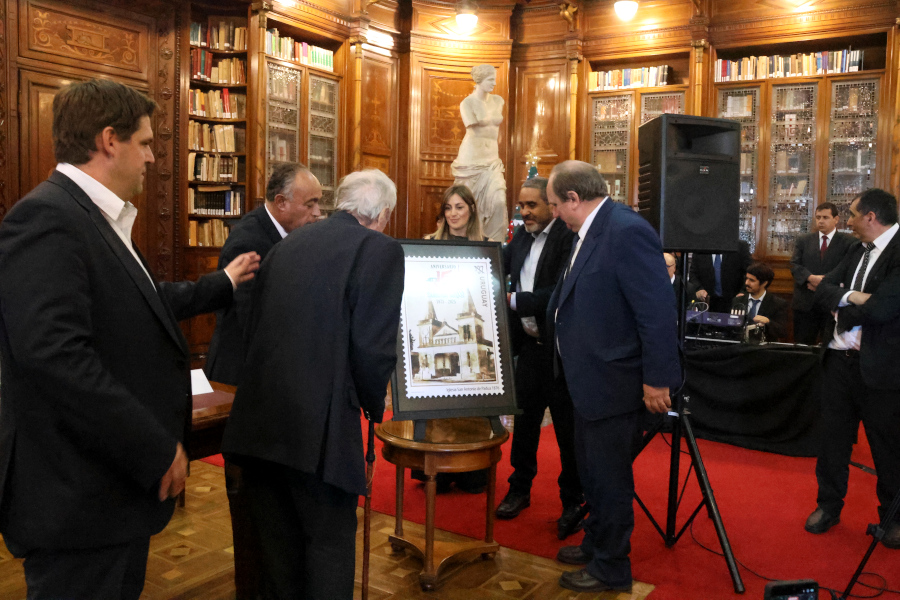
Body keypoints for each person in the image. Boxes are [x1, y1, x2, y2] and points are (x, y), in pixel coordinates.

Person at [0, 78, 259, 599]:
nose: (152, 158)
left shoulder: (95, 216)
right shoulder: (48, 217)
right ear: (109, 140)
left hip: (106, 491)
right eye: (144, 143)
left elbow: (141, 302)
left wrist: (221, 284)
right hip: (77, 498)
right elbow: (56, 357)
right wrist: (154, 447)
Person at [221, 169, 405, 598]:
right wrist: (373, 406)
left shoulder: (288, 243)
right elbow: (372, 348)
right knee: (327, 548)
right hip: (319, 437)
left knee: (278, 554)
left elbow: (255, 328)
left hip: (259, 426)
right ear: (382, 214)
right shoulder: (379, 249)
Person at [547, 161, 680, 593]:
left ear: (573, 198)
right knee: (592, 474)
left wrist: (658, 379)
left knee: (609, 479)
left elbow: (656, 312)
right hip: (587, 380)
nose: (554, 214)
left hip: (614, 382)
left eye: (555, 205)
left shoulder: (626, 230)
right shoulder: (590, 230)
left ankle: (611, 566)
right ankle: (596, 543)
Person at [805, 188, 900, 549]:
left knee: (887, 448)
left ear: (871, 217)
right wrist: (852, 296)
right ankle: (828, 506)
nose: (848, 221)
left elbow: (884, 308)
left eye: (853, 215)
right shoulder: (856, 249)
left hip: (881, 369)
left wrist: (843, 307)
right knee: (832, 441)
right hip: (837, 363)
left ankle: (892, 519)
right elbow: (822, 288)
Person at [495, 177, 584, 540]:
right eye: (521, 205)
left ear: (551, 205)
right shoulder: (520, 239)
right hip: (530, 348)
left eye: (532, 205)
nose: (525, 212)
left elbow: (559, 292)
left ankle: (573, 501)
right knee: (525, 424)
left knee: (567, 431)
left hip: (560, 353)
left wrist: (513, 301)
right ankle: (519, 489)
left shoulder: (568, 239)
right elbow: (496, 267)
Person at [205, 162, 322, 385]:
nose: (317, 212)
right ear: (281, 202)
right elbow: (252, 319)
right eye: (310, 204)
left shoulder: (292, 234)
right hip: (242, 373)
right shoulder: (248, 242)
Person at [418, 184, 489, 494]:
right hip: (439, 325)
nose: (453, 214)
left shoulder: (485, 246)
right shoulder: (428, 244)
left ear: (471, 209)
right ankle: (438, 472)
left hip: (469, 325)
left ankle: (471, 470)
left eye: (459, 207)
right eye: (448, 208)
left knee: (470, 403)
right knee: (439, 403)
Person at [451, 64, 508, 242]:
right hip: (471, 160)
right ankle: (470, 246)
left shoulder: (498, 101)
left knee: (499, 201)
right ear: (479, 80)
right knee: (469, 205)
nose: (494, 83)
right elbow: (471, 124)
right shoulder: (467, 103)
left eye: (494, 79)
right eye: (490, 80)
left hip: (492, 161)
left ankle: (495, 247)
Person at [789, 202, 856, 345]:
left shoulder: (849, 242)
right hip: (805, 303)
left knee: (830, 347)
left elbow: (848, 268)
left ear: (836, 219)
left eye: (825, 217)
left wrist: (822, 284)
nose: (820, 221)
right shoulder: (804, 240)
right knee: (802, 347)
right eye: (818, 217)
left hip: (832, 304)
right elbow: (794, 264)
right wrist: (810, 277)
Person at [731, 262, 789, 342]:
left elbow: (782, 332)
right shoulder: (738, 300)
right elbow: (731, 328)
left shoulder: (777, 304)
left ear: (764, 283)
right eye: (746, 279)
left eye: (752, 280)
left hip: (764, 347)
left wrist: (768, 322)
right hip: (740, 346)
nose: (746, 283)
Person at [689, 240, 752, 313]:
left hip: (735, 300)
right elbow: (693, 274)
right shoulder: (701, 247)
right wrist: (699, 289)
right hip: (706, 301)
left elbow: (750, 272)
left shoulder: (740, 246)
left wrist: (743, 292)